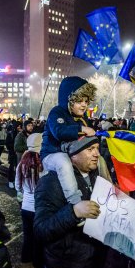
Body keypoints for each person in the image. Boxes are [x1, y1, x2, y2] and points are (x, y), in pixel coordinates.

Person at [34, 136, 107, 268]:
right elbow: (41, 230)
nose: (97, 154)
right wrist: (73, 212)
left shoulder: (97, 175)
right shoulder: (51, 182)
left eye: (97, 149)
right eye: (90, 149)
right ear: (73, 154)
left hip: (95, 265)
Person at [40, 76, 97, 205]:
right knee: (63, 162)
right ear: (69, 100)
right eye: (79, 101)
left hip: (72, 154)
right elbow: (59, 132)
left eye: (86, 101)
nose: (84, 105)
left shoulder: (83, 118)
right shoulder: (57, 112)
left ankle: (103, 192)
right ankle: (75, 202)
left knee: (98, 159)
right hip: (51, 155)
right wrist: (81, 128)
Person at [15, 133, 44, 268]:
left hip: (26, 207)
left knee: (28, 241)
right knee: (39, 243)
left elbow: (18, 186)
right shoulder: (44, 163)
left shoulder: (22, 163)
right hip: (40, 209)